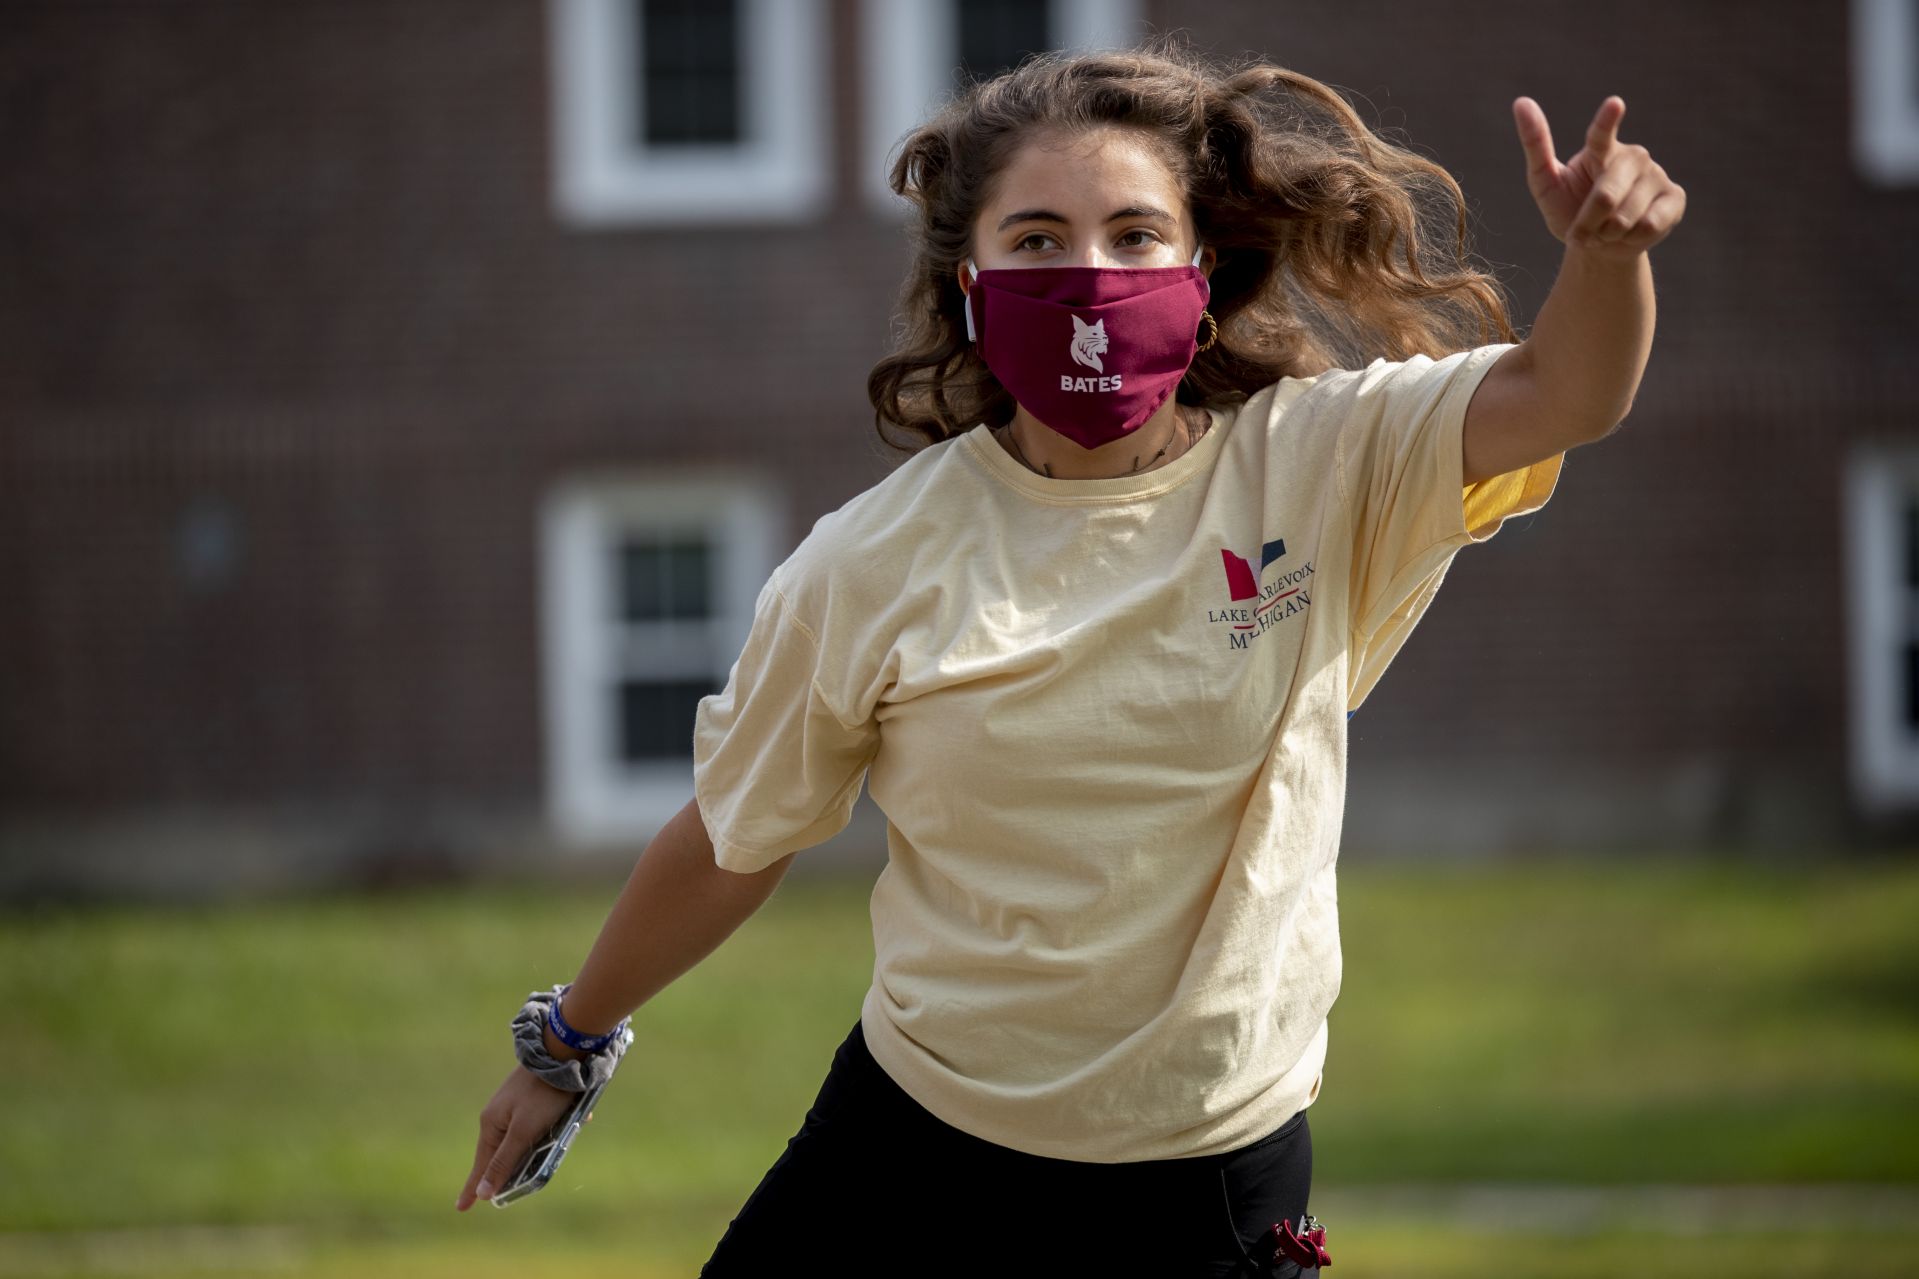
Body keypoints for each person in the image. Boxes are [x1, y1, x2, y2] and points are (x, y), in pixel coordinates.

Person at [458, 32, 1678, 1277]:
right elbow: (731, 835)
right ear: (972, 279)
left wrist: (1604, 259)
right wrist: (568, 1038)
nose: (1088, 274)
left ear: (1200, 269)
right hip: (915, 1150)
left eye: (1133, 234)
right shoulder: (871, 559)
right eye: (1036, 239)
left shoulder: (1321, 462)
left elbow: (1568, 393)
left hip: (1211, 1187)